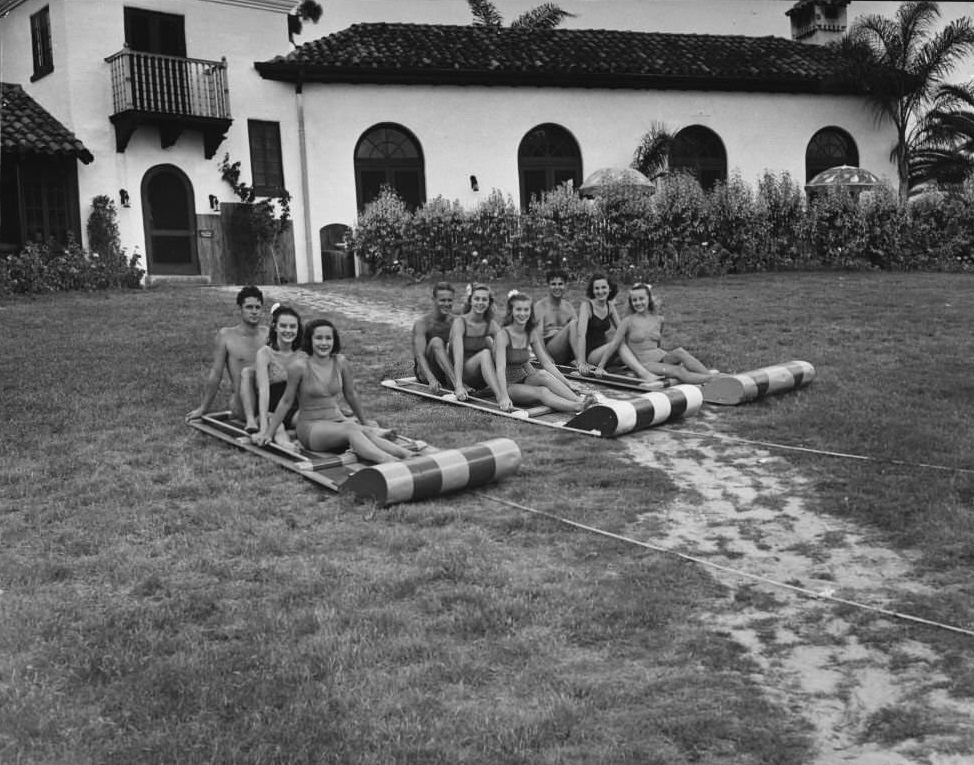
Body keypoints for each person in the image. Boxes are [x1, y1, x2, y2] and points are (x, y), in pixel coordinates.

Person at [254, 318, 417, 463]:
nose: (323, 343)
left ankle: (406, 454)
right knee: (352, 428)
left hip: (336, 421)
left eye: (328, 338)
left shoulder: (340, 362)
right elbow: (286, 401)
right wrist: (269, 433)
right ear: (310, 340)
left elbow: (351, 394)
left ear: (334, 340)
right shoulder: (299, 367)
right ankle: (388, 461)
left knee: (363, 430)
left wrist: (364, 421)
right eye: (318, 338)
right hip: (311, 428)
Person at [494, 290, 598, 413]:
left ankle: (578, 400)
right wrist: (504, 396)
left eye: (526, 310)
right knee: (543, 392)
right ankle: (577, 407)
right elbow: (500, 369)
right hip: (508, 386)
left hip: (525, 378)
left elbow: (546, 363)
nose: (522, 313)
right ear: (511, 311)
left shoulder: (530, 332)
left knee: (543, 374)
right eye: (518, 310)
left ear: (530, 312)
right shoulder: (503, 335)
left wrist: (567, 383)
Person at [595, 283, 717, 384]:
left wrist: (666, 358)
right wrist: (601, 366)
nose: (638, 303)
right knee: (678, 371)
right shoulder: (628, 321)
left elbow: (657, 344)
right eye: (634, 300)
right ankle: (713, 380)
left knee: (680, 352)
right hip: (645, 364)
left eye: (641, 299)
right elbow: (615, 344)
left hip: (661, 358)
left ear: (649, 299)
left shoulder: (658, 319)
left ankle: (708, 375)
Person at [186, 286, 269, 422]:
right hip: (242, 402)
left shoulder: (268, 334)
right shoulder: (227, 336)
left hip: (267, 398)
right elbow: (216, 374)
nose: (254, 312)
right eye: (249, 307)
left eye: (257, 307)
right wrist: (203, 408)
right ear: (240, 309)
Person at [572, 273, 659, 384]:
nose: (600, 291)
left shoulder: (610, 306)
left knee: (625, 343)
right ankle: (645, 374)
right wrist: (582, 362)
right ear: (592, 291)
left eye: (603, 287)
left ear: (610, 289)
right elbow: (581, 335)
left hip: (605, 352)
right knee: (618, 343)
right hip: (591, 355)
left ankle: (648, 366)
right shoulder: (587, 306)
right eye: (596, 288)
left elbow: (622, 330)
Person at [239, 303, 305, 450]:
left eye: (292, 327)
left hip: (294, 409)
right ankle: (285, 444)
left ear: (298, 329)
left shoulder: (302, 356)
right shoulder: (265, 353)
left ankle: (297, 435)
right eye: (283, 326)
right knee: (277, 425)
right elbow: (263, 391)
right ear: (275, 327)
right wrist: (263, 429)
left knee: (310, 420)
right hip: (270, 411)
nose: (288, 330)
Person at [449, 283, 505, 402]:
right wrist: (458, 385)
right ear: (470, 301)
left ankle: (510, 383)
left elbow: (506, 348)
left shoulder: (490, 324)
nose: (480, 302)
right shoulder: (460, 322)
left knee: (494, 343)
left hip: (482, 377)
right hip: (463, 374)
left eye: (484, 299)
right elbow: (457, 359)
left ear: (489, 303)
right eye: (477, 298)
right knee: (485, 353)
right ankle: (500, 396)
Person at [412, 281, 460, 393]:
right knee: (436, 341)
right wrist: (431, 379)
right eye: (442, 300)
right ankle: (457, 384)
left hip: (446, 370)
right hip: (427, 372)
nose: (447, 304)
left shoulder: (456, 321)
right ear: (434, 300)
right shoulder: (422, 323)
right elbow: (419, 355)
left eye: (449, 300)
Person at [533, 269, 577, 364]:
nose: (557, 287)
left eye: (560, 284)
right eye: (553, 284)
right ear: (548, 286)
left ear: (565, 285)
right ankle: (581, 361)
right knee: (574, 324)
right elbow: (537, 336)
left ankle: (582, 359)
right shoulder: (540, 306)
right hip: (550, 349)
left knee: (579, 324)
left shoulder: (568, 307)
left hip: (568, 350)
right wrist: (545, 358)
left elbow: (579, 333)